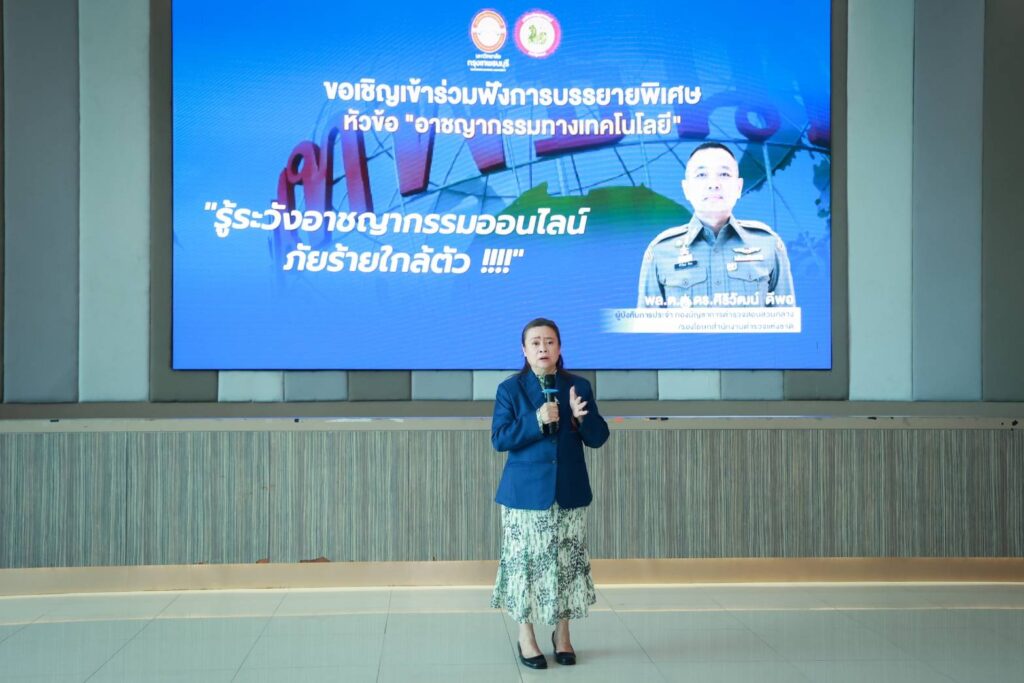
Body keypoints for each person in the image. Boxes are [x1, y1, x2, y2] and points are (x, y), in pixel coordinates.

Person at [490, 318, 610, 670]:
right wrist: (536, 419)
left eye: (550, 342)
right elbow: (500, 439)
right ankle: (526, 636)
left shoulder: (578, 386)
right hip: (525, 496)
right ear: (524, 350)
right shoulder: (510, 389)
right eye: (536, 342)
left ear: (560, 348)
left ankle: (563, 635)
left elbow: (598, 438)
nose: (543, 348)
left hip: (568, 491)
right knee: (524, 566)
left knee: (566, 566)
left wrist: (581, 419)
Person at [637, 142, 795, 308]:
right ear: (686, 189)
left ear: (739, 187)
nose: (714, 184)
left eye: (724, 174)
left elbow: (786, 320)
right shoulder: (660, 251)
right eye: (701, 175)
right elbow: (647, 323)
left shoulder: (768, 244)